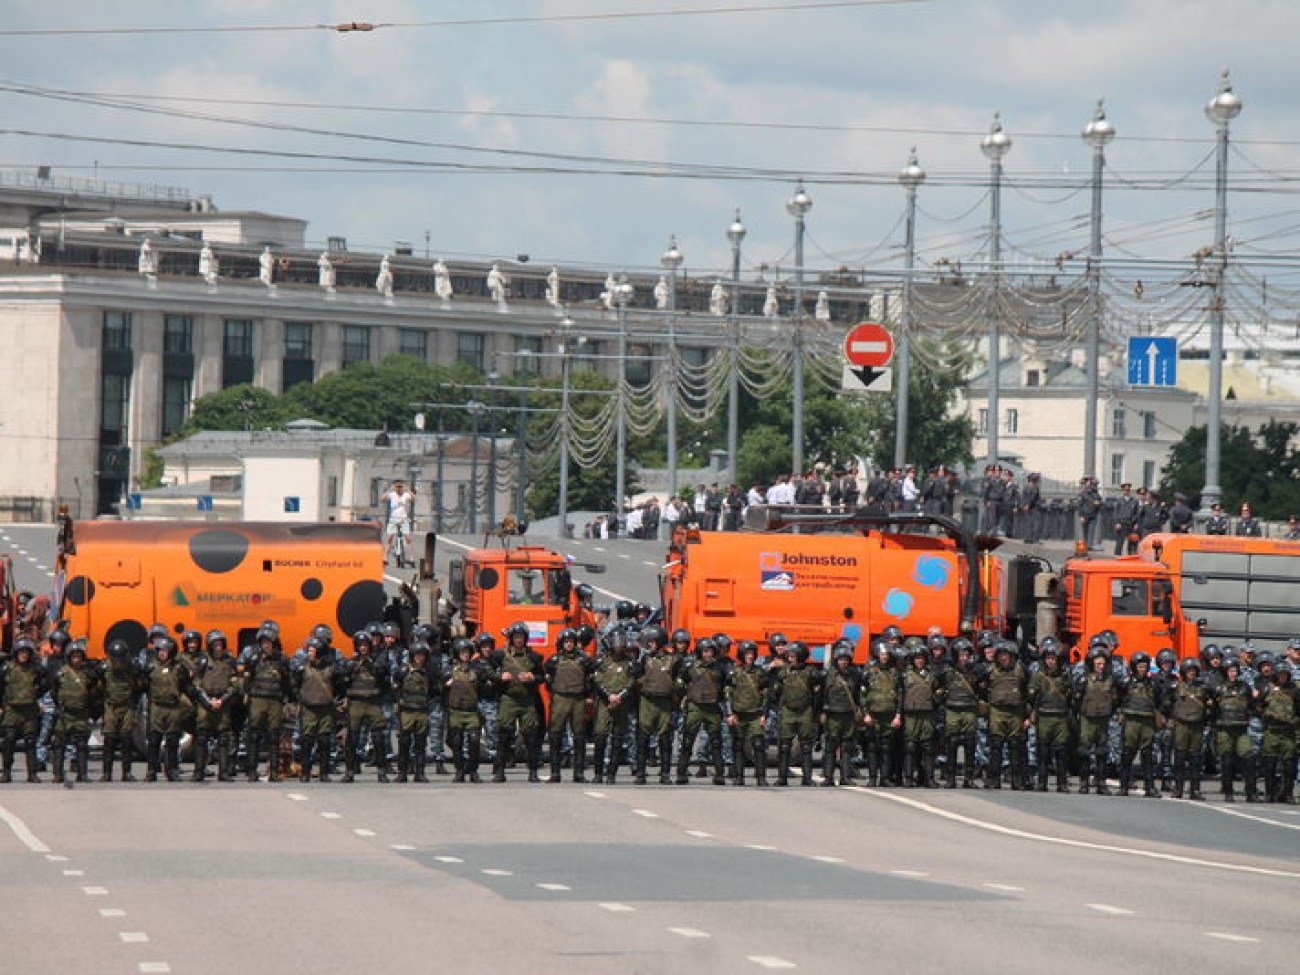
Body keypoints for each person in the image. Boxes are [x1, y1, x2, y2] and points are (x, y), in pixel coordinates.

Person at [491, 622, 545, 783]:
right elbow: (487, 671)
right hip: (509, 698)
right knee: (504, 735)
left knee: (531, 736)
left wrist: (533, 678)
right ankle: (500, 770)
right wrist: (500, 676)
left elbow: (543, 677)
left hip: (527, 700)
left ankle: (533, 771)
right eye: (516, 637)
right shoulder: (500, 655)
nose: (519, 640)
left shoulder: (534, 657)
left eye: (521, 637)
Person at [544, 628, 595, 783]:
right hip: (560, 697)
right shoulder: (554, 660)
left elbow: (590, 679)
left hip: (578, 699)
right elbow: (548, 679)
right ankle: (555, 772)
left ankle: (578, 773)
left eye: (571, 642)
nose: (568, 645)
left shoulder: (584, 660)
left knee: (579, 735)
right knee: (555, 735)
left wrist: (588, 696)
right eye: (566, 642)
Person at [340, 631, 392, 783]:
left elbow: (384, 677)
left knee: (378, 738)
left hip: (372, 702)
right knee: (352, 738)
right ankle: (350, 771)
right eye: (360, 645)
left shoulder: (377, 661)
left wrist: (374, 665)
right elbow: (343, 681)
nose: (363, 648)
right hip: (356, 703)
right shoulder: (352, 662)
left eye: (365, 645)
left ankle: (382, 772)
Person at [242, 627, 293, 782]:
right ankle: (252, 771)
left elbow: (287, 682)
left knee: (274, 736)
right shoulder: (254, 659)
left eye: (268, 642)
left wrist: (285, 698)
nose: (266, 645)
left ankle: (274, 772)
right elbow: (247, 680)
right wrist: (248, 695)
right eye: (263, 642)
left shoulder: (281, 659)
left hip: (275, 700)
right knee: (254, 734)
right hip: (257, 699)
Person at [678, 637, 730, 785]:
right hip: (695, 706)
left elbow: (725, 686)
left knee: (716, 742)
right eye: (705, 651)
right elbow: (681, 681)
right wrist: (684, 697)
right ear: (700, 652)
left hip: (712, 707)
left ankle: (719, 774)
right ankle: (681, 773)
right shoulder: (691, 666)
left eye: (710, 651)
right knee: (688, 740)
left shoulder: (719, 667)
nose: (708, 654)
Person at [192, 630, 241, 782]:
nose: (218, 647)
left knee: (223, 738)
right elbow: (196, 683)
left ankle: (223, 772)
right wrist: (207, 701)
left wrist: (223, 700)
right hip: (205, 702)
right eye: (215, 644)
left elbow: (235, 684)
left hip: (223, 703)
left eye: (220, 644)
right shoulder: (202, 661)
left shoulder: (229, 661)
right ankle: (199, 771)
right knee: (201, 737)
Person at [632, 626, 679, 785]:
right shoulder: (645, 659)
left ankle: (665, 774)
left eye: (652, 641)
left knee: (665, 739)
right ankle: (640, 773)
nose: (649, 644)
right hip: (648, 701)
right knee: (643, 738)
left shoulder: (672, 659)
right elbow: (635, 676)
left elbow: (680, 680)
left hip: (665, 702)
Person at [49, 641, 100, 784]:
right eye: (74, 657)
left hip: (81, 714)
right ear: (69, 658)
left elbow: (94, 693)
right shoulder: (61, 674)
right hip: (65, 714)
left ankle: (82, 774)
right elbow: (54, 692)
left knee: (82, 745)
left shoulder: (87, 675)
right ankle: (58, 774)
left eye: (79, 657)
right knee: (59, 745)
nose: (76, 660)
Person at [772, 641, 821, 787]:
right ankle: (782, 778)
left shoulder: (811, 672)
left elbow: (818, 693)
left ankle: (807, 778)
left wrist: (815, 712)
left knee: (806, 746)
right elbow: (777, 690)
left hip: (805, 710)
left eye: (793, 654)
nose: (790, 657)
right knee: (784, 746)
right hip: (788, 710)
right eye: (789, 654)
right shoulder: (784, 671)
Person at [296, 637, 344, 783]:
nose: (309, 653)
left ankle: (323, 772)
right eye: (308, 650)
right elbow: (294, 683)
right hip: (309, 707)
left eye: (312, 650)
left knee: (324, 741)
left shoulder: (330, 668)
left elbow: (339, 684)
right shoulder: (302, 667)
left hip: (325, 708)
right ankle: (305, 772)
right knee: (307, 741)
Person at [0, 639, 48, 782]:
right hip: (12, 710)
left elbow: (44, 684)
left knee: (30, 742)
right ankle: (6, 772)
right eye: (21, 652)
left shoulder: (35, 669)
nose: (24, 655)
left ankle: (32, 773)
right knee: (9, 741)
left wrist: (37, 698)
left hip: (29, 711)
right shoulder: (6, 669)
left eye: (26, 652)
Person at [1028, 638, 1072, 792]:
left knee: (1061, 751)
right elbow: (1031, 696)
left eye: (1053, 659)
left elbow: (1071, 695)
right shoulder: (1038, 676)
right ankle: (1042, 782)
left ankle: (1062, 783)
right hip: (1044, 716)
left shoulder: (1065, 675)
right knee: (1043, 751)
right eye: (1048, 659)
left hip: (1060, 716)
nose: (1051, 662)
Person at [592, 629, 636, 784]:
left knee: (618, 739)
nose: (619, 645)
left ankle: (612, 774)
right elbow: (597, 680)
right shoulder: (602, 661)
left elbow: (632, 683)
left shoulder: (629, 663)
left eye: (621, 641)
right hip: (605, 704)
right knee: (600, 737)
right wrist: (608, 696)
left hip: (621, 704)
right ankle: (598, 773)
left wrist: (620, 696)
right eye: (616, 641)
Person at [1213, 654, 1259, 802]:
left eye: (1234, 670)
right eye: (1229, 670)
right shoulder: (1218, 689)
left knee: (1249, 757)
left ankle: (1251, 791)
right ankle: (1228, 791)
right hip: (1224, 729)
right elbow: (1212, 708)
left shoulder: (1244, 687)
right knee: (1226, 760)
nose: (1232, 673)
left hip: (1241, 729)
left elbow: (1252, 706)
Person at [144, 636, 190, 782]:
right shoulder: (150, 667)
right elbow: (142, 685)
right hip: (157, 706)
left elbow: (187, 686)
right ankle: (151, 771)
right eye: (159, 650)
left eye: (165, 650)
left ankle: (172, 770)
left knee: (172, 740)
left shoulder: (178, 668)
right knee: (154, 740)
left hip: (173, 707)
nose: (162, 653)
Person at [1117, 652, 1162, 798]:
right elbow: (1118, 698)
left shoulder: (1153, 683)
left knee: (1147, 754)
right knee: (1127, 752)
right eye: (1139, 666)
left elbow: (1160, 700)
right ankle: (1123, 786)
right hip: (1131, 720)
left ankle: (1149, 787)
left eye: (1144, 666)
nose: (1142, 669)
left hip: (1147, 720)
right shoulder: (1126, 683)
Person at [1166, 657, 1212, 799]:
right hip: (1181, 725)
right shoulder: (1176, 687)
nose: (1191, 673)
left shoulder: (1203, 688)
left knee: (1195, 758)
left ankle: (1195, 790)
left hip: (1197, 725)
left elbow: (1210, 705)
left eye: (1193, 671)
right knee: (1179, 757)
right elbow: (1167, 704)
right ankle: (1178, 788)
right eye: (1188, 671)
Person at [986, 641, 1029, 790]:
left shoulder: (1021, 670)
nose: (1004, 658)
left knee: (1015, 747)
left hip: (1015, 712)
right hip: (997, 712)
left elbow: (1028, 691)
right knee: (995, 747)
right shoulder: (990, 670)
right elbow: (982, 688)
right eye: (1001, 655)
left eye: (1006, 655)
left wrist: (1027, 716)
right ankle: (993, 780)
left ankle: (1017, 780)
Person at [1075, 643, 1117, 795]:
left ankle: (1101, 783)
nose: (1101, 666)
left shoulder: (1110, 680)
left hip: (1103, 720)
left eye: (1103, 663)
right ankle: (1084, 783)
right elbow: (1076, 698)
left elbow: (1115, 698)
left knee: (1102, 752)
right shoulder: (1084, 680)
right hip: (1087, 719)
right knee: (1084, 752)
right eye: (1098, 663)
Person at [725, 640, 768, 787]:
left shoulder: (760, 672)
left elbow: (766, 694)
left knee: (758, 745)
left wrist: (764, 714)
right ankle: (739, 777)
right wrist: (730, 713)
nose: (749, 656)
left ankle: (761, 778)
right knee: (738, 746)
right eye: (747, 653)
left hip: (755, 714)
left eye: (752, 654)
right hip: (739, 714)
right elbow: (728, 694)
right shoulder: (734, 672)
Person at [444, 637, 488, 783]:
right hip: (455, 711)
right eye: (462, 652)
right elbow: (437, 687)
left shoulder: (477, 669)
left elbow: (485, 687)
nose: (465, 654)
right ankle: (459, 771)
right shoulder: (449, 670)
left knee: (474, 741)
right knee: (456, 742)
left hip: (471, 711)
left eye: (467, 652)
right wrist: (445, 684)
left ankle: (473, 771)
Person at [393, 641, 436, 783]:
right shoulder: (403, 671)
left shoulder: (429, 672)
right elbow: (395, 687)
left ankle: (420, 773)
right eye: (417, 655)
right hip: (407, 711)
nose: (420, 658)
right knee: (404, 743)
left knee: (420, 744)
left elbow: (435, 690)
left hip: (422, 711)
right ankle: (402, 773)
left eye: (422, 655)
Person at [861, 640, 902, 787]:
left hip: (889, 715)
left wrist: (898, 715)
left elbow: (900, 695)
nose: (884, 657)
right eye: (882, 654)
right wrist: (865, 713)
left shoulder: (894, 672)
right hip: (873, 715)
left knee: (887, 747)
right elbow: (862, 694)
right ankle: (872, 778)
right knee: (872, 747)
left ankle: (884, 778)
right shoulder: (869, 672)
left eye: (886, 654)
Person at [820, 642, 861, 787]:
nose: (843, 662)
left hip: (848, 714)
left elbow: (858, 695)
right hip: (832, 714)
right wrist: (822, 711)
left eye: (846, 660)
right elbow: (821, 694)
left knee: (846, 747)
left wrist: (859, 711)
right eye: (841, 659)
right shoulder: (827, 674)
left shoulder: (854, 674)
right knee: (830, 747)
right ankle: (828, 777)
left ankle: (845, 777)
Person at [381, 480, 417, 565]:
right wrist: (389, 490)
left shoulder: (406, 495)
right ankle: (385, 558)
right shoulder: (392, 494)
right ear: (394, 487)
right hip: (393, 518)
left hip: (403, 519)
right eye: (397, 487)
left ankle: (411, 558)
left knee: (408, 538)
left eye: (400, 487)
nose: (399, 489)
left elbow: (414, 499)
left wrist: (408, 490)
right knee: (390, 538)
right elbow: (382, 499)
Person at [1112, 483, 1139, 556]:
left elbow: (1136, 513)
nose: (1126, 491)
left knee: (1131, 542)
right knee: (1120, 542)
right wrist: (1117, 523)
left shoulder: (1134, 501)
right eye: (1125, 490)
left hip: (1131, 524)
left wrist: (1136, 523)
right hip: (1122, 524)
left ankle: (1130, 556)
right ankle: (1117, 556)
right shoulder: (1119, 501)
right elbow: (1116, 513)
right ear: (1122, 491)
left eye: (1128, 490)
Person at [1078, 476, 1102, 549]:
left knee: (1091, 531)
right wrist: (1081, 516)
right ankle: (1085, 545)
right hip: (1085, 515)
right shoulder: (1083, 494)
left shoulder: (1096, 494)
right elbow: (1080, 505)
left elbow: (1101, 502)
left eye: (1095, 485)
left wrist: (1099, 503)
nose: (1094, 486)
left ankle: (1089, 545)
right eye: (1093, 484)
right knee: (1085, 532)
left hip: (1093, 515)